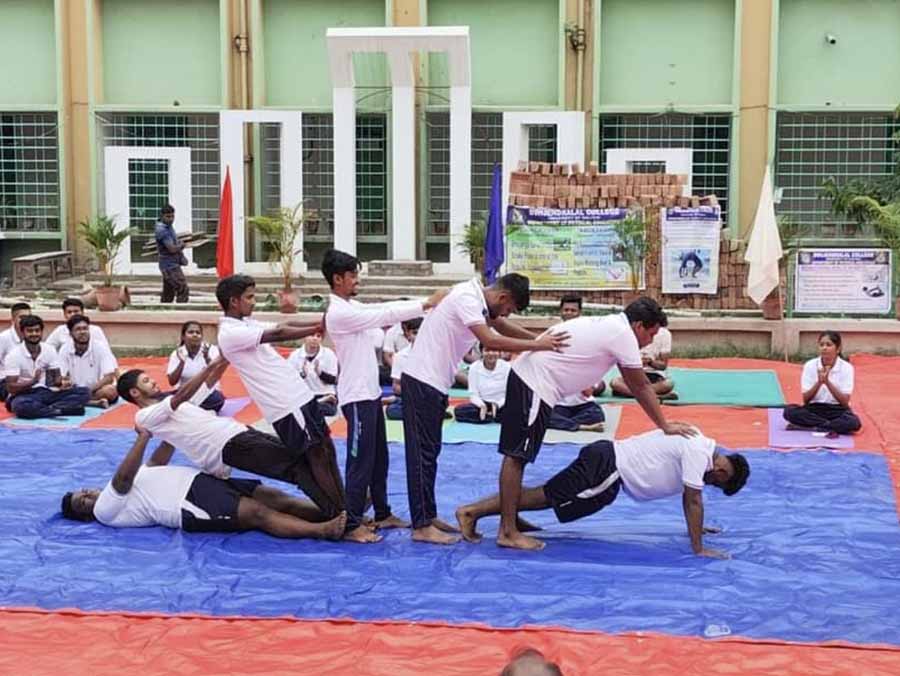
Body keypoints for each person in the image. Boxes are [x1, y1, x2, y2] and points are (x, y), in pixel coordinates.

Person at [496, 297, 696, 550]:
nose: (650, 342)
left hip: (538, 383)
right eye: (651, 334)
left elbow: (634, 380)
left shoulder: (613, 326)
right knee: (517, 457)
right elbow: (640, 385)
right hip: (534, 382)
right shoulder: (622, 334)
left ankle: (510, 519)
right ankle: (507, 531)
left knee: (521, 456)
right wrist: (665, 425)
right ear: (639, 326)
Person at [402, 273, 569, 545]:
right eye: (509, 308)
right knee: (421, 454)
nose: (506, 313)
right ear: (503, 297)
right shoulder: (467, 298)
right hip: (422, 381)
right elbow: (490, 339)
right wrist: (537, 345)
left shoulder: (477, 299)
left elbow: (500, 325)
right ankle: (420, 525)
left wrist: (540, 343)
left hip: (434, 382)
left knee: (430, 453)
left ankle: (428, 515)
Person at [458, 428, 750, 559]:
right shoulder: (700, 454)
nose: (708, 484)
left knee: (546, 494)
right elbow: (693, 500)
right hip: (606, 468)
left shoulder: (700, 443)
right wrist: (698, 548)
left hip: (607, 469)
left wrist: (698, 529)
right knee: (546, 496)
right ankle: (471, 512)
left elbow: (694, 502)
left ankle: (511, 517)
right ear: (722, 474)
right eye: (715, 484)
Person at [323, 248, 447, 543]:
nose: (357, 280)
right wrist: (425, 303)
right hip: (356, 396)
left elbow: (380, 315)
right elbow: (384, 313)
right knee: (360, 462)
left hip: (372, 393)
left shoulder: (353, 308)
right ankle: (352, 524)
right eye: (353, 275)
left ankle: (382, 512)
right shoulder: (340, 312)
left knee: (380, 459)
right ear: (338, 279)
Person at [117, 356, 341, 517]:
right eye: (146, 381)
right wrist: (209, 366)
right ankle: (344, 519)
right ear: (135, 393)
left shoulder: (173, 404)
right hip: (227, 446)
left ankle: (345, 509)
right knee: (294, 469)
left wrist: (226, 356)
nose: (153, 381)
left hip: (239, 433)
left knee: (304, 458)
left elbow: (206, 386)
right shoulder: (145, 416)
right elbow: (181, 396)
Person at [60, 427, 346, 540]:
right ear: (86, 515)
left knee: (277, 498)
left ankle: (338, 513)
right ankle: (322, 530)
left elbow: (157, 461)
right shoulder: (106, 511)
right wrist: (143, 436)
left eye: (84, 491)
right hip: (187, 504)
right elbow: (122, 477)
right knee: (258, 514)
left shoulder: (135, 482)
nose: (88, 495)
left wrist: (169, 428)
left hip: (200, 481)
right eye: (82, 501)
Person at [215, 274, 344, 515]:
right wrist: (318, 327)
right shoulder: (230, 332)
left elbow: (280, 327)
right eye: (249, 297)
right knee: (315, 457)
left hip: (299, 398)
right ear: (234, 301)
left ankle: (345, 510)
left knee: (326, 450)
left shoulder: (246, 323)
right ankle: (342, 516)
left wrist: (317, 324)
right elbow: (279, 334)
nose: (253, 302)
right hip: (285, 405)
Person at [3, 315, 91, 419]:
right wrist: (33, 382)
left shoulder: (49, 350)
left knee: (84, 392)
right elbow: (11, 388)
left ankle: (48, 409)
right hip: (24, 395)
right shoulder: (14, 355)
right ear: (23, 333)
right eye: (30, 331)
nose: (34, 334)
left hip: (46, 392)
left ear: (41, 332)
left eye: (37, 330)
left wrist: (63, 383)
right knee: (21, 406)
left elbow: (54, 382)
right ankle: (60, 410)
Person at [783, 331, 861, 436]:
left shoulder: (847, 368)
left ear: (838, 349)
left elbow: (845, 402)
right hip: (815, 408)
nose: (824, 348)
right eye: (821, 345)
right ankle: (829, 426)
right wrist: (819, 383)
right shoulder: (810, 365)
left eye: (829, 345)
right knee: (789, 411)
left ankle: (812, 426)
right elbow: (806, 399)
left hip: (837, 409)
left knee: (854, 422)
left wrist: (827, 382)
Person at [547, 296, 606, 433]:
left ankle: (566, 424)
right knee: (545, 416)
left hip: (582, 399)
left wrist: (591, 384)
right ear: (560, 312)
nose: (569, 313)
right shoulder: (552, 333)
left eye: (573, 310)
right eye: (566, 310)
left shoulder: (588, 335)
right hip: (559, 400)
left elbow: (595, 363)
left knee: (597, 415)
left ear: (579, 313)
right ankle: (580, 426)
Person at [57, 314, 119, 408]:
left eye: (85, 328)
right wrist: (64, 383)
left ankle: (80, 401)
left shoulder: (100, 347)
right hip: (74, 390)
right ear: (70, 333)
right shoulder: (65, 349)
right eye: (78, 329)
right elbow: (61, 376)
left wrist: (87, 390)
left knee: (110, 391)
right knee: (54, 391)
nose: (82, 332)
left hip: (95, 390)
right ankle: (93, 403)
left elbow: (109, 377)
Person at [610, 314, 676, 400]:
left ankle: (631, 393)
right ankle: (654, 396)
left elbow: (663, 365)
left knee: (668, 384)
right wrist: (637, 362)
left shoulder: (665, 334)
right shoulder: (632, 332)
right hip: (634, 374)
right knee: (615, 383)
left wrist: (650, 362)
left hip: (654, 376)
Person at [167, 320, 224, 413]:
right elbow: (172, 382)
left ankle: (186, 409)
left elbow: (216, 375)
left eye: (198, 332)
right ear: (183, 336)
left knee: (217, 400)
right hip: (185, 393)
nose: (195, 335)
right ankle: (192, 409)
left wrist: (207, 359)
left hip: (207, 393)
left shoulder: (211, 350)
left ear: (201, 336)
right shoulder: (177, 353)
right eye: (190, 332)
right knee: (163, 399)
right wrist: (182, 362)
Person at [287, 331, 339, 417]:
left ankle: (319, 402)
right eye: (311, 335)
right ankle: (318, 402)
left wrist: (320, 373)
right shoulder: (295, 356)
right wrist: (302, 375)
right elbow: (289, 381)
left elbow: (333, 380)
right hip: (305, 395)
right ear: (305, 337)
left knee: (328, 410)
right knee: (300, 409)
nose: (315, 338)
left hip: (324, 393)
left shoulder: (329, 354)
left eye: (318, 336)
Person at [453, 347, 511, 424]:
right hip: (482, 404)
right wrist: (482, 405)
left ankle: (489, 416)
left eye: (494, 350)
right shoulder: (474, 367)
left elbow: (509, 393)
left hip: (501, 403)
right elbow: (473, 394)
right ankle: (493, 416)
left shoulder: (507, 367)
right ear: (482, 352)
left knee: (515, 411)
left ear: (499, 353)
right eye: (487, 350)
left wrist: (497, 405)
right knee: (459, 411)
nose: (490, 353)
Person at [386, 317, 422, 420]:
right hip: (409, 397)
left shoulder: (434, 354)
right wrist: (412, 393)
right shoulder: (400, 356)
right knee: (392, 411)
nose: (418, 337)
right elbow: (396, 385)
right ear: (408, 335)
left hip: (428, 397)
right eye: (415, 333)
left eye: (421, 333)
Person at [46, 298, 110, 352]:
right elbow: (47, 350)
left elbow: (106, 352)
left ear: (82, 313)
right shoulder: (60, 330)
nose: (73, 314)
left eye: (76, 311)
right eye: (69, 312)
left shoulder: (95, 330)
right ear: (65, 315)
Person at [155, 204, 190, 303]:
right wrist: (182, 246)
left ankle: (164, 312)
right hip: (169, 266)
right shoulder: (162, 231)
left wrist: (181, 257)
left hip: (170, 264)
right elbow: (172, 249)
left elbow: (174, 243)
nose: (171, 219)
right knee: (182, 288)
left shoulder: (168, 227)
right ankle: (181, 312)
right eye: (168, 216)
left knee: (168, 292)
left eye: (172, 216)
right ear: (162, 216)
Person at [0, 302, 31, 402]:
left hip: (26, 380)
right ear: (13, 320)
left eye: (28, 317)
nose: (25, 320)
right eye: (21, 317)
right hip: (5, 381)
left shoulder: (32, 336)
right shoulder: (4, 338)